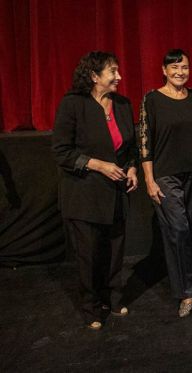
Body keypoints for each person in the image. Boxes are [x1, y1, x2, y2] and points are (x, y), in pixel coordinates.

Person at [52, 51, 138, 330]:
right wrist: (98, 165)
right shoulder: (73, 104)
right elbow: (62, 152)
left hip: (116, 192)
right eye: (113, 71)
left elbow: (130, 148)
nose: (119, 77)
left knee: (115, 250)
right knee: (89, 256)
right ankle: (90, 307)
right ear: (93, 76)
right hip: (84, 194)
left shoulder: (123, 104)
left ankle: (113, 297)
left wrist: (133, 168)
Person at [138, 49, 192, 317]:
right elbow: (145, 142)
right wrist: (149, 180)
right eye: (174, 67)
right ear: (164, 70)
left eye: (184, 67)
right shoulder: (152, 99)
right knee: (179, 229)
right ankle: (185, 291)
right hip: (165, 175)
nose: (180, 72)